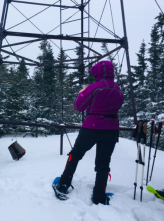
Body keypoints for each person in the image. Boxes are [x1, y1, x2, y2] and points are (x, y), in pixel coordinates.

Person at [53, 60, 124, 205]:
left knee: (75, 154)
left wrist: (81, 93)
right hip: (111, 129)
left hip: (91, 127)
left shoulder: (93, 87)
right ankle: (99, 195)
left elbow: (78, 106)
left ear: (98, 73)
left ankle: (63, 185)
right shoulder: (118, 89)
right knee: (103, 163)